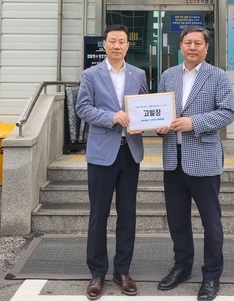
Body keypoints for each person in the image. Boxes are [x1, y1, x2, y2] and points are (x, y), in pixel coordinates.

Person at [154, 26, 234, 301]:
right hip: (173, 160)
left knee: (211, 222)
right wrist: (159, 127)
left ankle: (211, 275)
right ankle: (182, 266)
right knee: (177, 220)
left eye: (197, 43)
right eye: (187, 42)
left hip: (203, 159)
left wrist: (194, 123)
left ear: (206, 47)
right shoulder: (168, 75)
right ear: (180, 46)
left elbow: (227, 112)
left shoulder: (218, 76)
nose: (192, 47)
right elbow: (160, 111)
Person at [76, 24, 149, 300]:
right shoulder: (90, 74)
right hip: (101, 154)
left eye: (122, 41)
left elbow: (145, 106)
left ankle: (122, 271)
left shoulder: (138, 74)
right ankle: (97, 273)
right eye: (112, 41)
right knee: (99, 215)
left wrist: (148, 121)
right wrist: (111, 117)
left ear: (128, 45)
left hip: (130, 152)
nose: (117, 46)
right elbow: (82, 108)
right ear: (104, 44)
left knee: (127, 214)